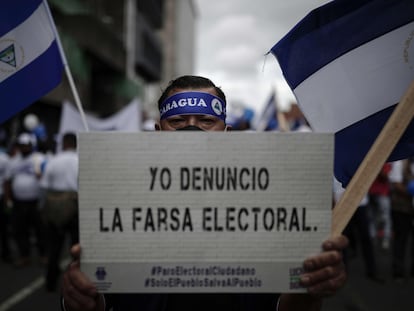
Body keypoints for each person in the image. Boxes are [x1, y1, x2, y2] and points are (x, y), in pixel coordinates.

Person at [61, 75, 348, 311]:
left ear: (226, 131)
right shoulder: (117, 205)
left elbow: (285, 304)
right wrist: (80, 296)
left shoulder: (269, 208)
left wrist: (310, 288)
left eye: (206, 121)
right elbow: (100, 297)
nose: (192, 129)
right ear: (159, 131)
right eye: (178, 121)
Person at [40, 132, 79, 291]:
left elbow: (44, 186)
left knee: (54, 247)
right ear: (75, 144)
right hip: (74, 205)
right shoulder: (79, 161)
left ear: (63, 143)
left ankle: (50, 282)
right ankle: (76, 281)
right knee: (75, 247)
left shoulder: (53, 161)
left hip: (54, 206)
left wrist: (44, 207)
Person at [4, 133, 47, 267]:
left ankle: (43, 255)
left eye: (27, 145)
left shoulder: (39, 159)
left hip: (36, 202)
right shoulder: (13, 161)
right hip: (19, 202)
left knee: (40, 229)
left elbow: (46, 178)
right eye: (22, 146)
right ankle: (24, 256)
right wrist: (7, 198)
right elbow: (7, 181)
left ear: (31, 146)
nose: (24, 148)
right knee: (20, 230)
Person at [388, 159, 414, 281]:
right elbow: (396, 183)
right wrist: (410, 191)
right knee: (400, 239)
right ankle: (398, 270)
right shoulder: (400, 162)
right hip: (401, 208)